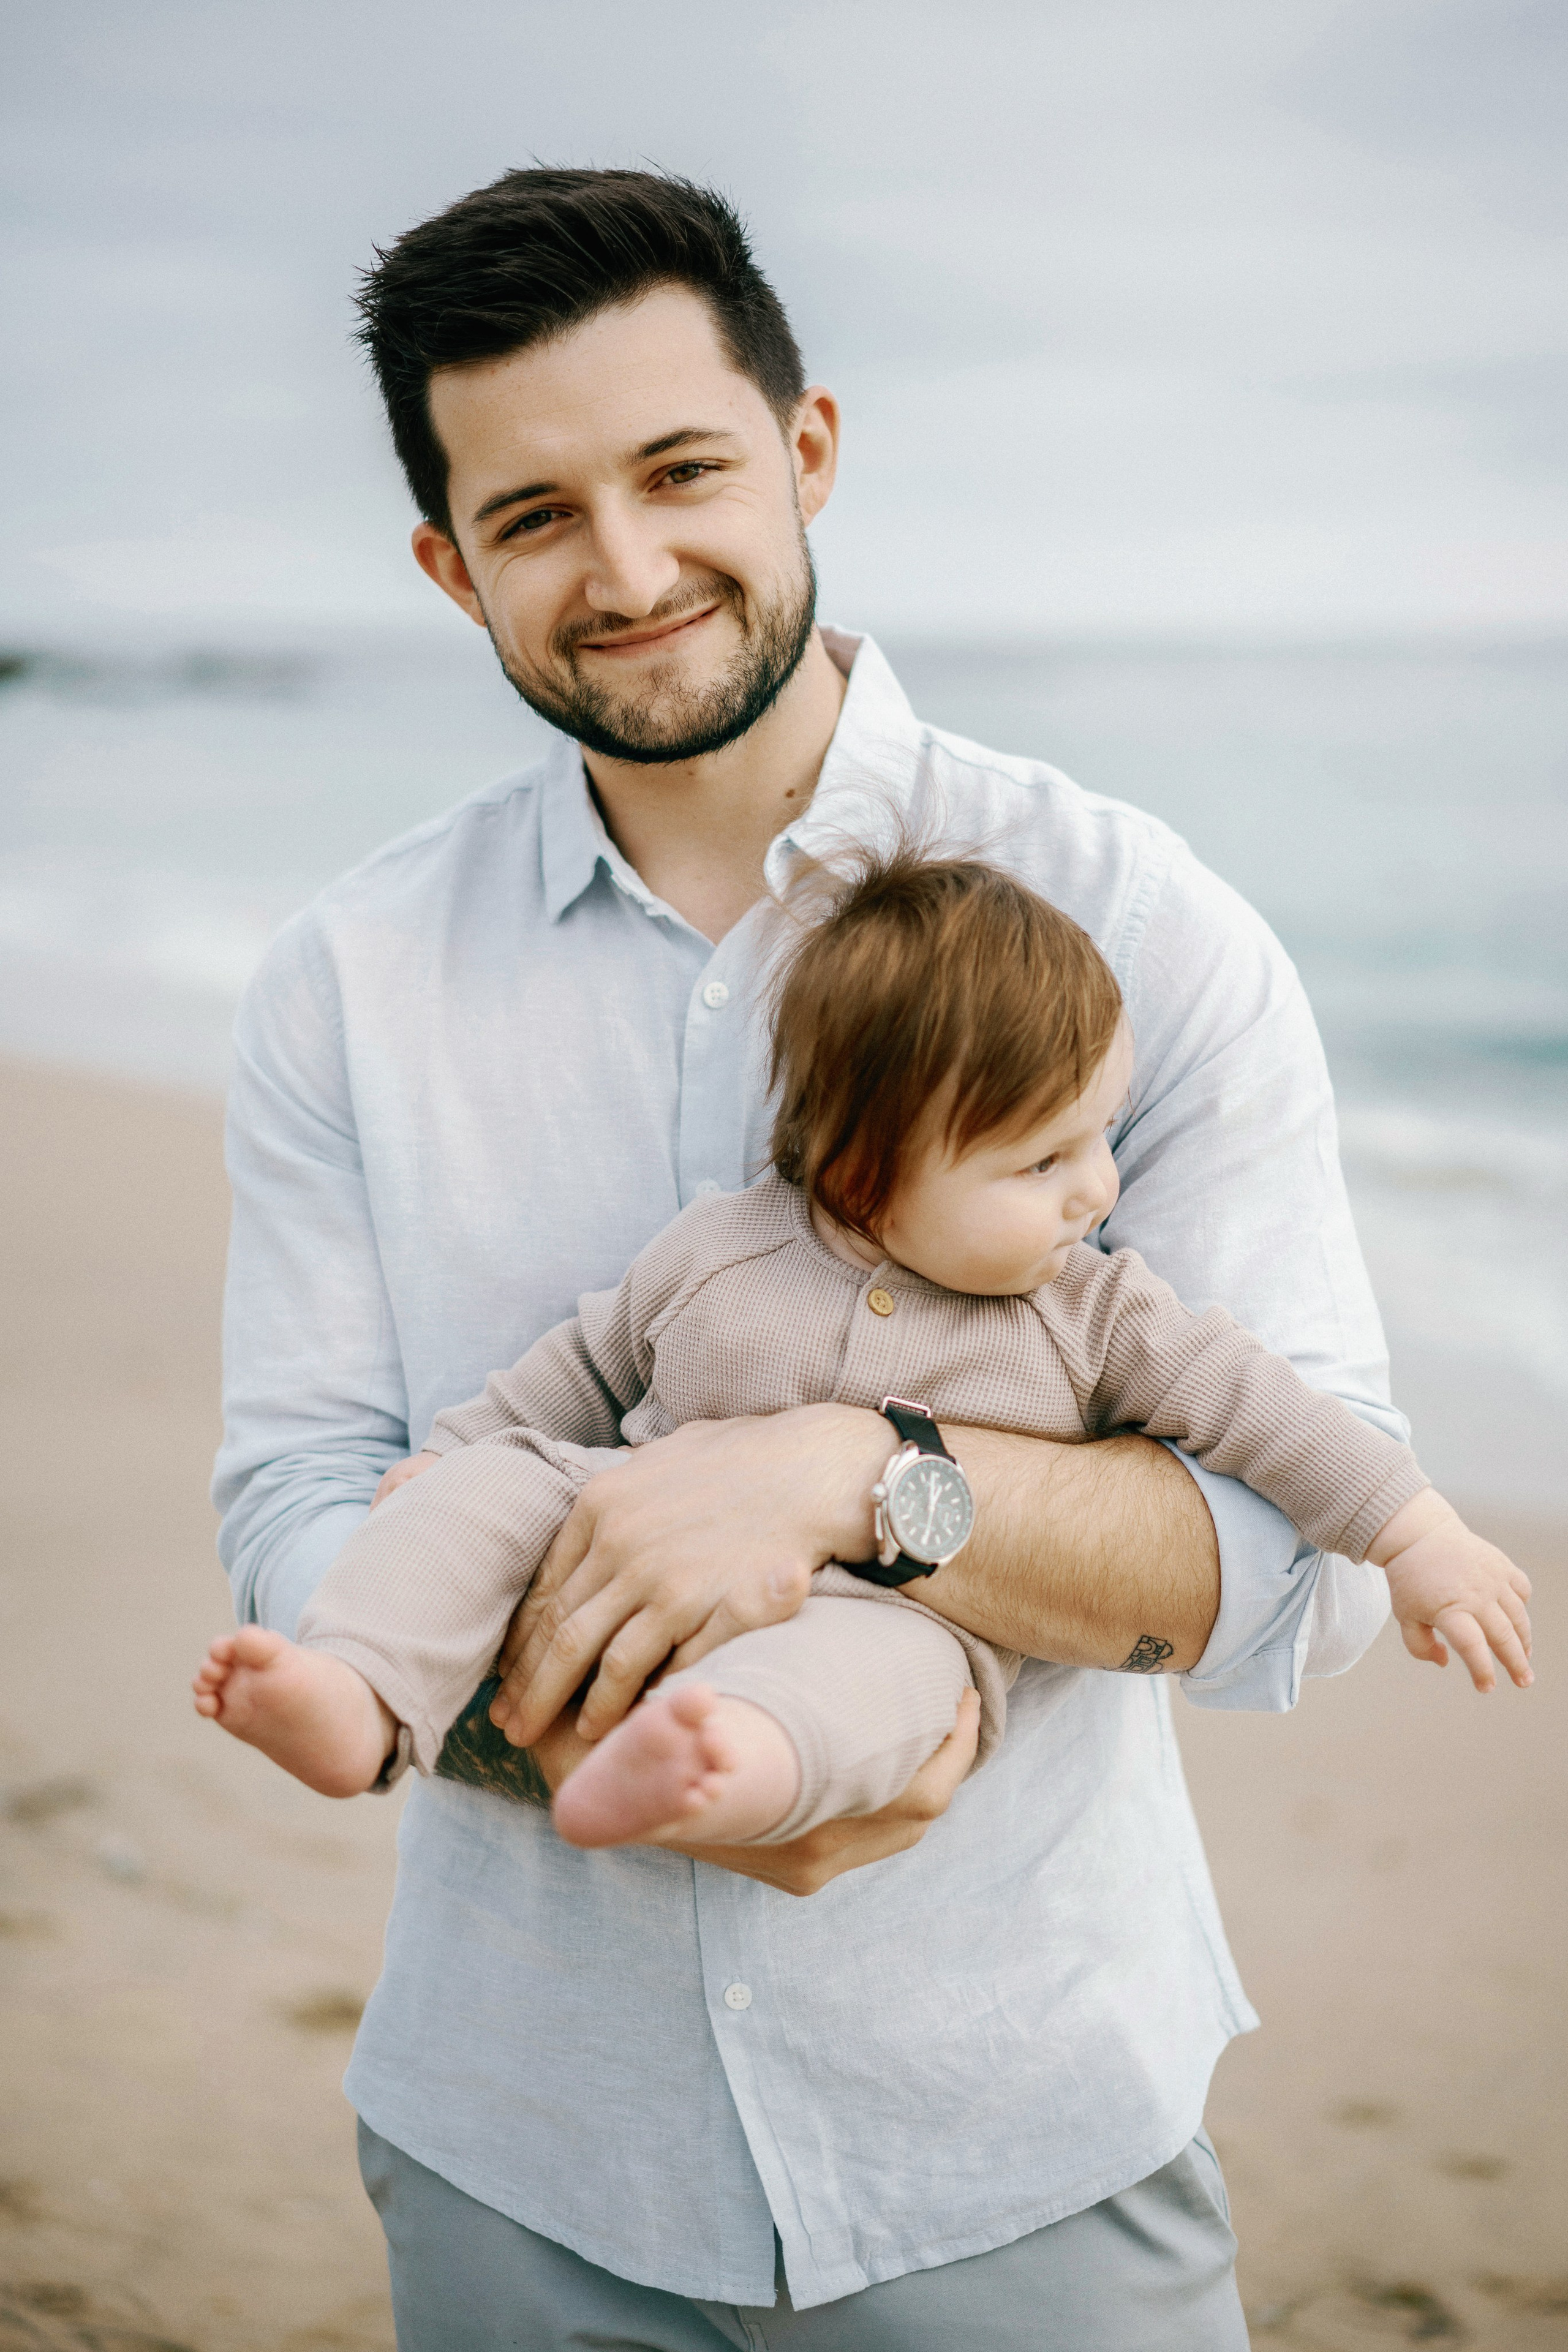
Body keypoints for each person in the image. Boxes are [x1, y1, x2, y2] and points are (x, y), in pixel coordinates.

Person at [211, 165, 1457, 2347]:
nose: (628, 568)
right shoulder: (347, 979)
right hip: (523, 2141)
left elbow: (1314, 1562)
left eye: (683, 470)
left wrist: (871, 1486)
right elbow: (300, 1500)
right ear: (445, 563)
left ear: (807, 451)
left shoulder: (1140, 925)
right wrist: (611, 1728)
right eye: (534, 516)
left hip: (1016, 2138)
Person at [196, 851, 1531, 1851]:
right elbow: (575, 1374)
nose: (1094, 1188)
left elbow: (1273, 1420)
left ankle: (722, 1767)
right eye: (1041, 1157)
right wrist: (447, 1464)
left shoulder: (1094, 1311)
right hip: (608, 1531)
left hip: (881, 1608)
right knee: (489, 1496)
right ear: (860, 1170)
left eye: (1100, 1135)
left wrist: (1416, 1540)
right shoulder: (718, 1248)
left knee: (887, 1682)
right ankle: (358, 1694)